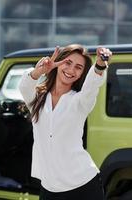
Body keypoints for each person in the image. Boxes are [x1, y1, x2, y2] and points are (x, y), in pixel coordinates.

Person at [19, 44, 112, 200]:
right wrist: (39, 71)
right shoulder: (38, 98)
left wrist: (99, 66)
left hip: (83, 185)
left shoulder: (80, 101)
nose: (71, 70)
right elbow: (24, 86)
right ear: (57, 63)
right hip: (49, 187)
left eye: (78, 67)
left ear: (82, 73)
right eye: (67, 63)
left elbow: (91, 87)